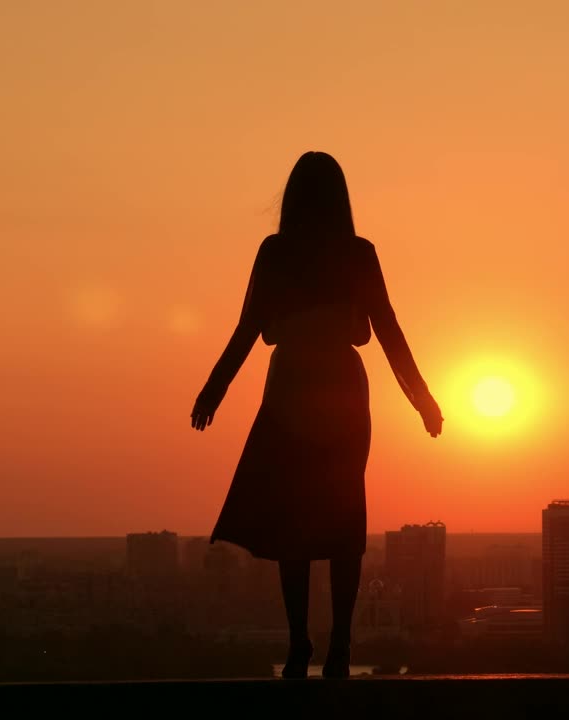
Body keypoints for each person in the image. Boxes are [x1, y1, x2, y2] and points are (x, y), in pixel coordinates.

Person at [191, 151, 443, 679]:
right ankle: (340, 645)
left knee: (295, 523)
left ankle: (303, 642)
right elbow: (390, 333)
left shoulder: (277, 251)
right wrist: (421, 399)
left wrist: (214, 390)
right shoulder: (357, 252)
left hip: (290, 387)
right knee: (343, 517)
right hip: (343, 393)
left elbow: (247, 330)